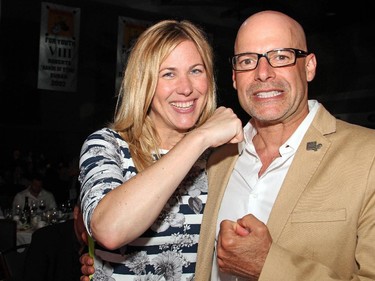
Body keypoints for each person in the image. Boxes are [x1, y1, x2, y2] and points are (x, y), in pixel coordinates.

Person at [195, 10, 375, 280]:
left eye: (281, 56)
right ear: (234, 77)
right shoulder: (217, 159)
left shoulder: (367, 156)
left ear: (309, 66)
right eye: (247, 61)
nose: (263, 73)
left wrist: (268, 267)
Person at [78, 19, 243, 280]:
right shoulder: (108, 145)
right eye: (168, 73)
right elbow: (109, 230)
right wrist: (198, 138)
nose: (186, 88)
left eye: (196, 71)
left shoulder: (222, 154)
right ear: (144, 83)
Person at [22, 201, 88, 281]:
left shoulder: (102, 245)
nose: (94, 224)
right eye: (89, 216)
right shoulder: (45, 239)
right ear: (76, 212)